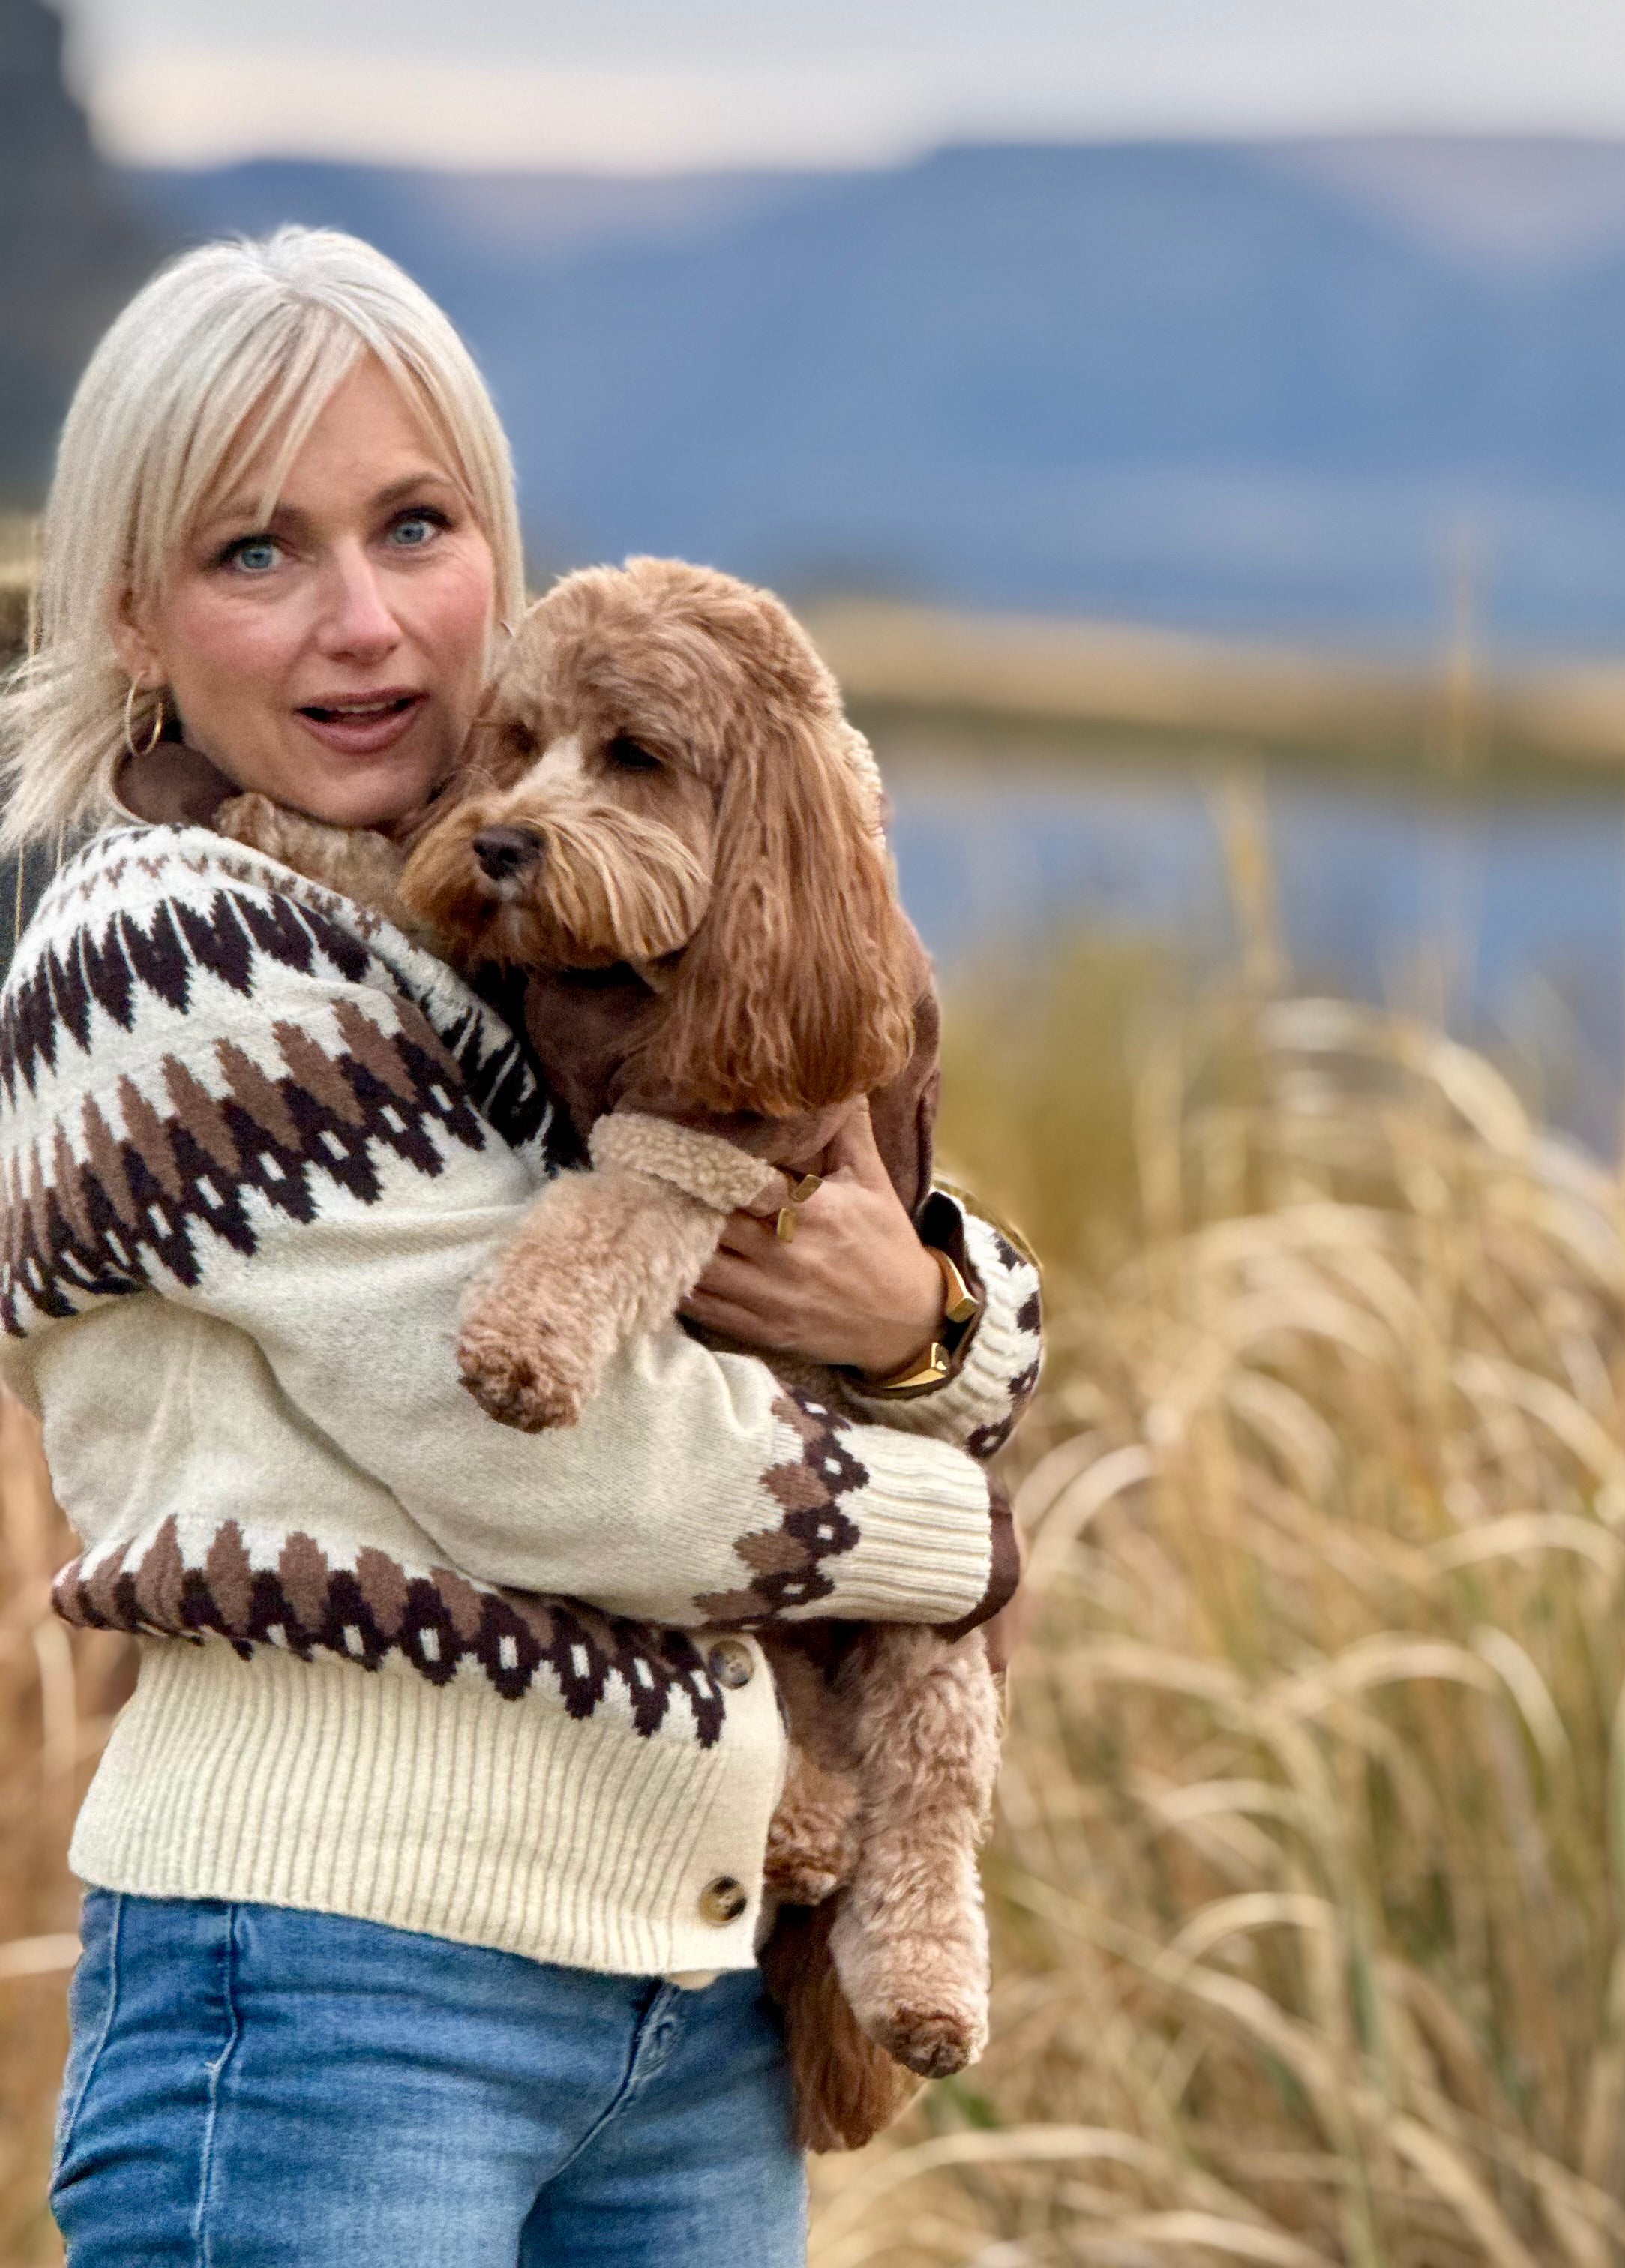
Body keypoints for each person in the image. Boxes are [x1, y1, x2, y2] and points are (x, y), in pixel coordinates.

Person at [0, 226, 1043, 2265]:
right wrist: (964, 1528)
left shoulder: (488, 924)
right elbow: (563, 1456)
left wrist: (922, 1325)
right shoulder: (168, 950)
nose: (365, 622)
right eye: (257, 554)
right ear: (134, 613)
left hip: (676, 1998)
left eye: (416, 525)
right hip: (332, 1994)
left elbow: (881, 1249)